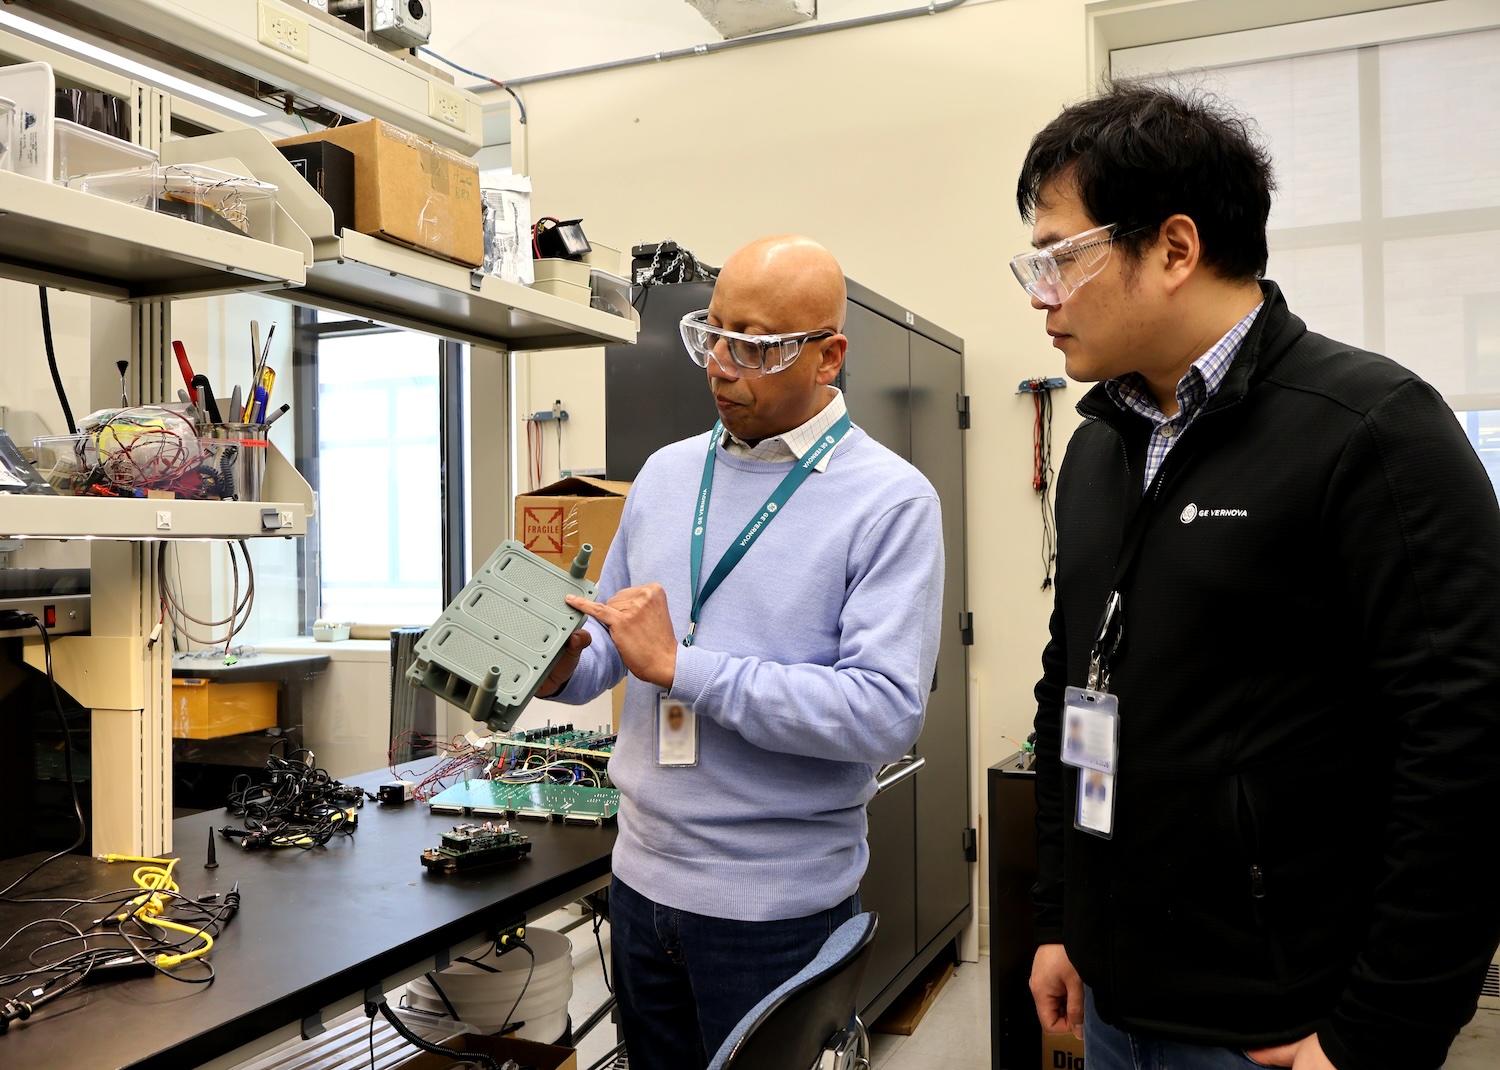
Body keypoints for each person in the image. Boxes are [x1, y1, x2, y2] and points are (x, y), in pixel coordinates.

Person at [1015, 81, 1500, 1070]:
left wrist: (1377, 1034)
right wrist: (1063, 914)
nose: (1040, 293)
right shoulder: (1099, 450)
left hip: (1282, 1027)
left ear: (1176, 248)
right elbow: (1076, 687)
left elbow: (1465, 749)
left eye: (1062, 255)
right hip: (1114, 999)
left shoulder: (1369, 429)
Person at [536, 234, 944, 1069]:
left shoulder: (892, 501)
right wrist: (554, 660)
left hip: (777, 912)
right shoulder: (664, 473)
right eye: (710, 335)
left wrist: (687, 670)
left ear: (828, 356)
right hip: (641, 883)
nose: (720, 365)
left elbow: (882, 713)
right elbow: (610, 653)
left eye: (753, 347)